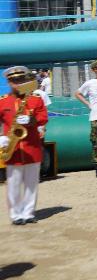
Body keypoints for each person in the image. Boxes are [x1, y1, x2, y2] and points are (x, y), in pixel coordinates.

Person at [1, 66, 48, 225]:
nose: (18, 83)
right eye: (14, 81)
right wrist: (1, 137)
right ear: (9, 82)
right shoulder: (3, 101)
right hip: (12, 149)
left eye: (20, 80)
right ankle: (16, 215)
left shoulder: (35, 99)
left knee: (31, 184)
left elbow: (43, 119)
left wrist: (30, 120)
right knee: (13, 184)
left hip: (32, 148)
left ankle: (28, 213)